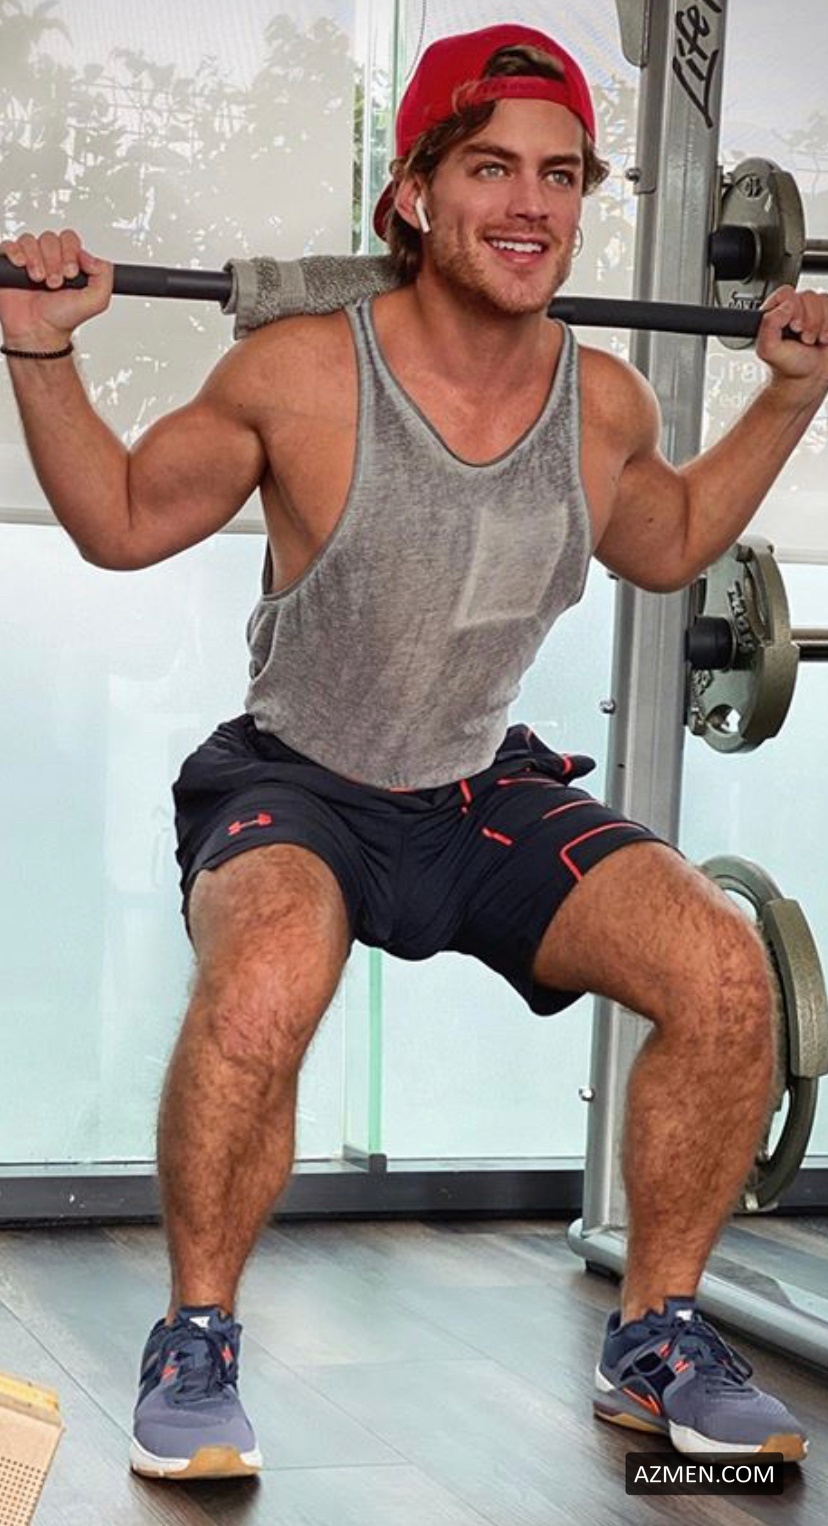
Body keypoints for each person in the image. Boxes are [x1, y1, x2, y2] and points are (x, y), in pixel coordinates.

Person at [1, 21, 826, 1482]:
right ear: (413, 195)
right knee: (264, 981)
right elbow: (121, 523)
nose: (530, 205)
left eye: (560, 176)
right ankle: (195, 1339)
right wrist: (38, 348)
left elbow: (672, 543)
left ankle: (656, 1334)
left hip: (479, 788)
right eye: (491, 168)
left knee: (722, 969)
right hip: (298, 778)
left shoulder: (604, 403)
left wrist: (792, 395)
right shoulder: (299, 377)